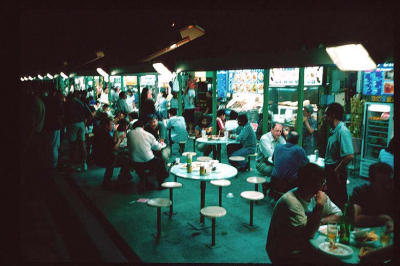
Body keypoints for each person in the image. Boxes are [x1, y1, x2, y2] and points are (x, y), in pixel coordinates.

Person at [266, 163, 343, 265]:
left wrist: (320, 221)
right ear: (311, 184)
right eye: (322, 183)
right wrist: (319, 206)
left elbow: (339, 215)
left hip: (300, 244)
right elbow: (308, 234)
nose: (325, 187)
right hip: (284, 253)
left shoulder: (316, 195)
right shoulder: (290, 202)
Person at [350, 162, 394, 264]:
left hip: (386, 246)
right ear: (372, 181)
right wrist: (383, 218)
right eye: (383, 183)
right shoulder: (361, 191)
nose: (388, 186)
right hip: (360, 244)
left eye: (389, 181)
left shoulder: (393, 194)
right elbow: (355, 219)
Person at [324, 102, 354, 210]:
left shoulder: (342, 131)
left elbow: (349, 156)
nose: (325, 117)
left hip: (336, 171)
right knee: (331, 199)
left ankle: (340, 223)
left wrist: (336, 170)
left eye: (326, 115)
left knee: (338, 200)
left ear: (333, 115)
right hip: (331, 170)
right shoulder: (334, 131)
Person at [92, 116, 132, 189]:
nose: (113, 126)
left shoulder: (100, 132)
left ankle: (122, 177)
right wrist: (120, 139)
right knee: (126, 160)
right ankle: (120, 179)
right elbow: (115, 148)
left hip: (98, 156)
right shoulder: (105, 135)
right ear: (106, 125)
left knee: (122, 157)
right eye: (111, 124)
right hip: (104, 158)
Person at [127, 120, 168, 189]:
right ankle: (161, 183)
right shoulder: (148, 135)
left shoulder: (129, 134)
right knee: (160, 161)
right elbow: (157, 148)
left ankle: (144, 179)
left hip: (134, 163)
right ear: (143, 127)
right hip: (148, 162)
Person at [270, 131, 309, 199]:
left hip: (274, 181)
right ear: (297, 141)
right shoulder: (299, 150)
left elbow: (273, 160)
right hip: (289, 185)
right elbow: (307, 165)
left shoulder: (278, 147)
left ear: (287, 138)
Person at [64, 90, 93, 171]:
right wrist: (85, 122)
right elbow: (90, 113)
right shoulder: (81, 103)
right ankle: (84, 163)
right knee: (82, 143)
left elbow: (65, 115)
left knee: (72, 144)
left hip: (72, 124)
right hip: (81, 123)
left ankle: (72, 164)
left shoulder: (68, 102)